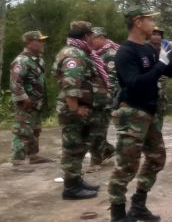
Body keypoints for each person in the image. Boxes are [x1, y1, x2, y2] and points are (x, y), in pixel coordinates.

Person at [109, 7, 172, 222]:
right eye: (150, 20)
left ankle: (138, 205)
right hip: (131, 114)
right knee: (126, 165)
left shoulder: (147, 49)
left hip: (148, 113)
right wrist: (160, 64)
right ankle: (118, 217)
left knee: (157, 158)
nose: (154, 25)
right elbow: (135, 83)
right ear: (138, 22)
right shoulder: (125, 53)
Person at [53, 21, 110, 200]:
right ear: (86, 37)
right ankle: (71, 188)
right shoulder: (74, 55)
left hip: (82, 109)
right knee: (73, 148)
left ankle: (77, 181)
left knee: (79, 146)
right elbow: (71, 83)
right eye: (92, 36)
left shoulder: (81, 52)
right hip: (74, 112)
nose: (93, 40)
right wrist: (75, 108)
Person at [10, 31, 53, 166]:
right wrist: (23, 98)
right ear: (28, 42)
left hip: (36, 102)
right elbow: (15, 83)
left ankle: (33, 156)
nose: (42, 43)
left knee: (35, 129)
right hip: (25, 102)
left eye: (43, 40)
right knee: (22, 130)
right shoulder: (21, 60)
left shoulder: (38, 59)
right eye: (38, 41)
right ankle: (18, 159)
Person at [87, 27, 118, 170]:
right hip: (94, 97)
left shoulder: (110, 54)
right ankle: (108, 150)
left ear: (101, 37)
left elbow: (111, 80)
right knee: (94, 129)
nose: (89, 41)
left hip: (104, 99)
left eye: (92, 38)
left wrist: (108, 100)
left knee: (97, 130)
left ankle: (96, 161)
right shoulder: (95, 54)